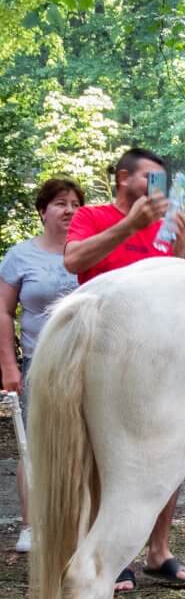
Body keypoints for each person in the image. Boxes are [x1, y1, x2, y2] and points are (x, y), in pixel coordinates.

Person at [65, 149, 185, 592]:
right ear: (124, 178)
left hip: (159, 352)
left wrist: (179, 245)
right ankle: (110, 552)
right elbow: (74, 260)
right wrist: (129, 225)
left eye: (163, 181)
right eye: (150, 179)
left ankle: (159, 551)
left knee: (171, 448)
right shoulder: (93, 214)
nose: (158, 189)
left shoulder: (164, 223)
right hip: (105, 351)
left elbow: (180, 283)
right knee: (106, 455)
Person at [0, 178, 83, 552]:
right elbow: (3, 311)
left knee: (87, 443)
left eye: (75, 204)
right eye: (60, 203)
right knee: (36, 444)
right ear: (42, 211)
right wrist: (9, 367)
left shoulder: (89, 252)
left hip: (88, 361)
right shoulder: (20, 256)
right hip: (39, 362)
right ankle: (31, 526)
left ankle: (77, 523)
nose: (69, 210)